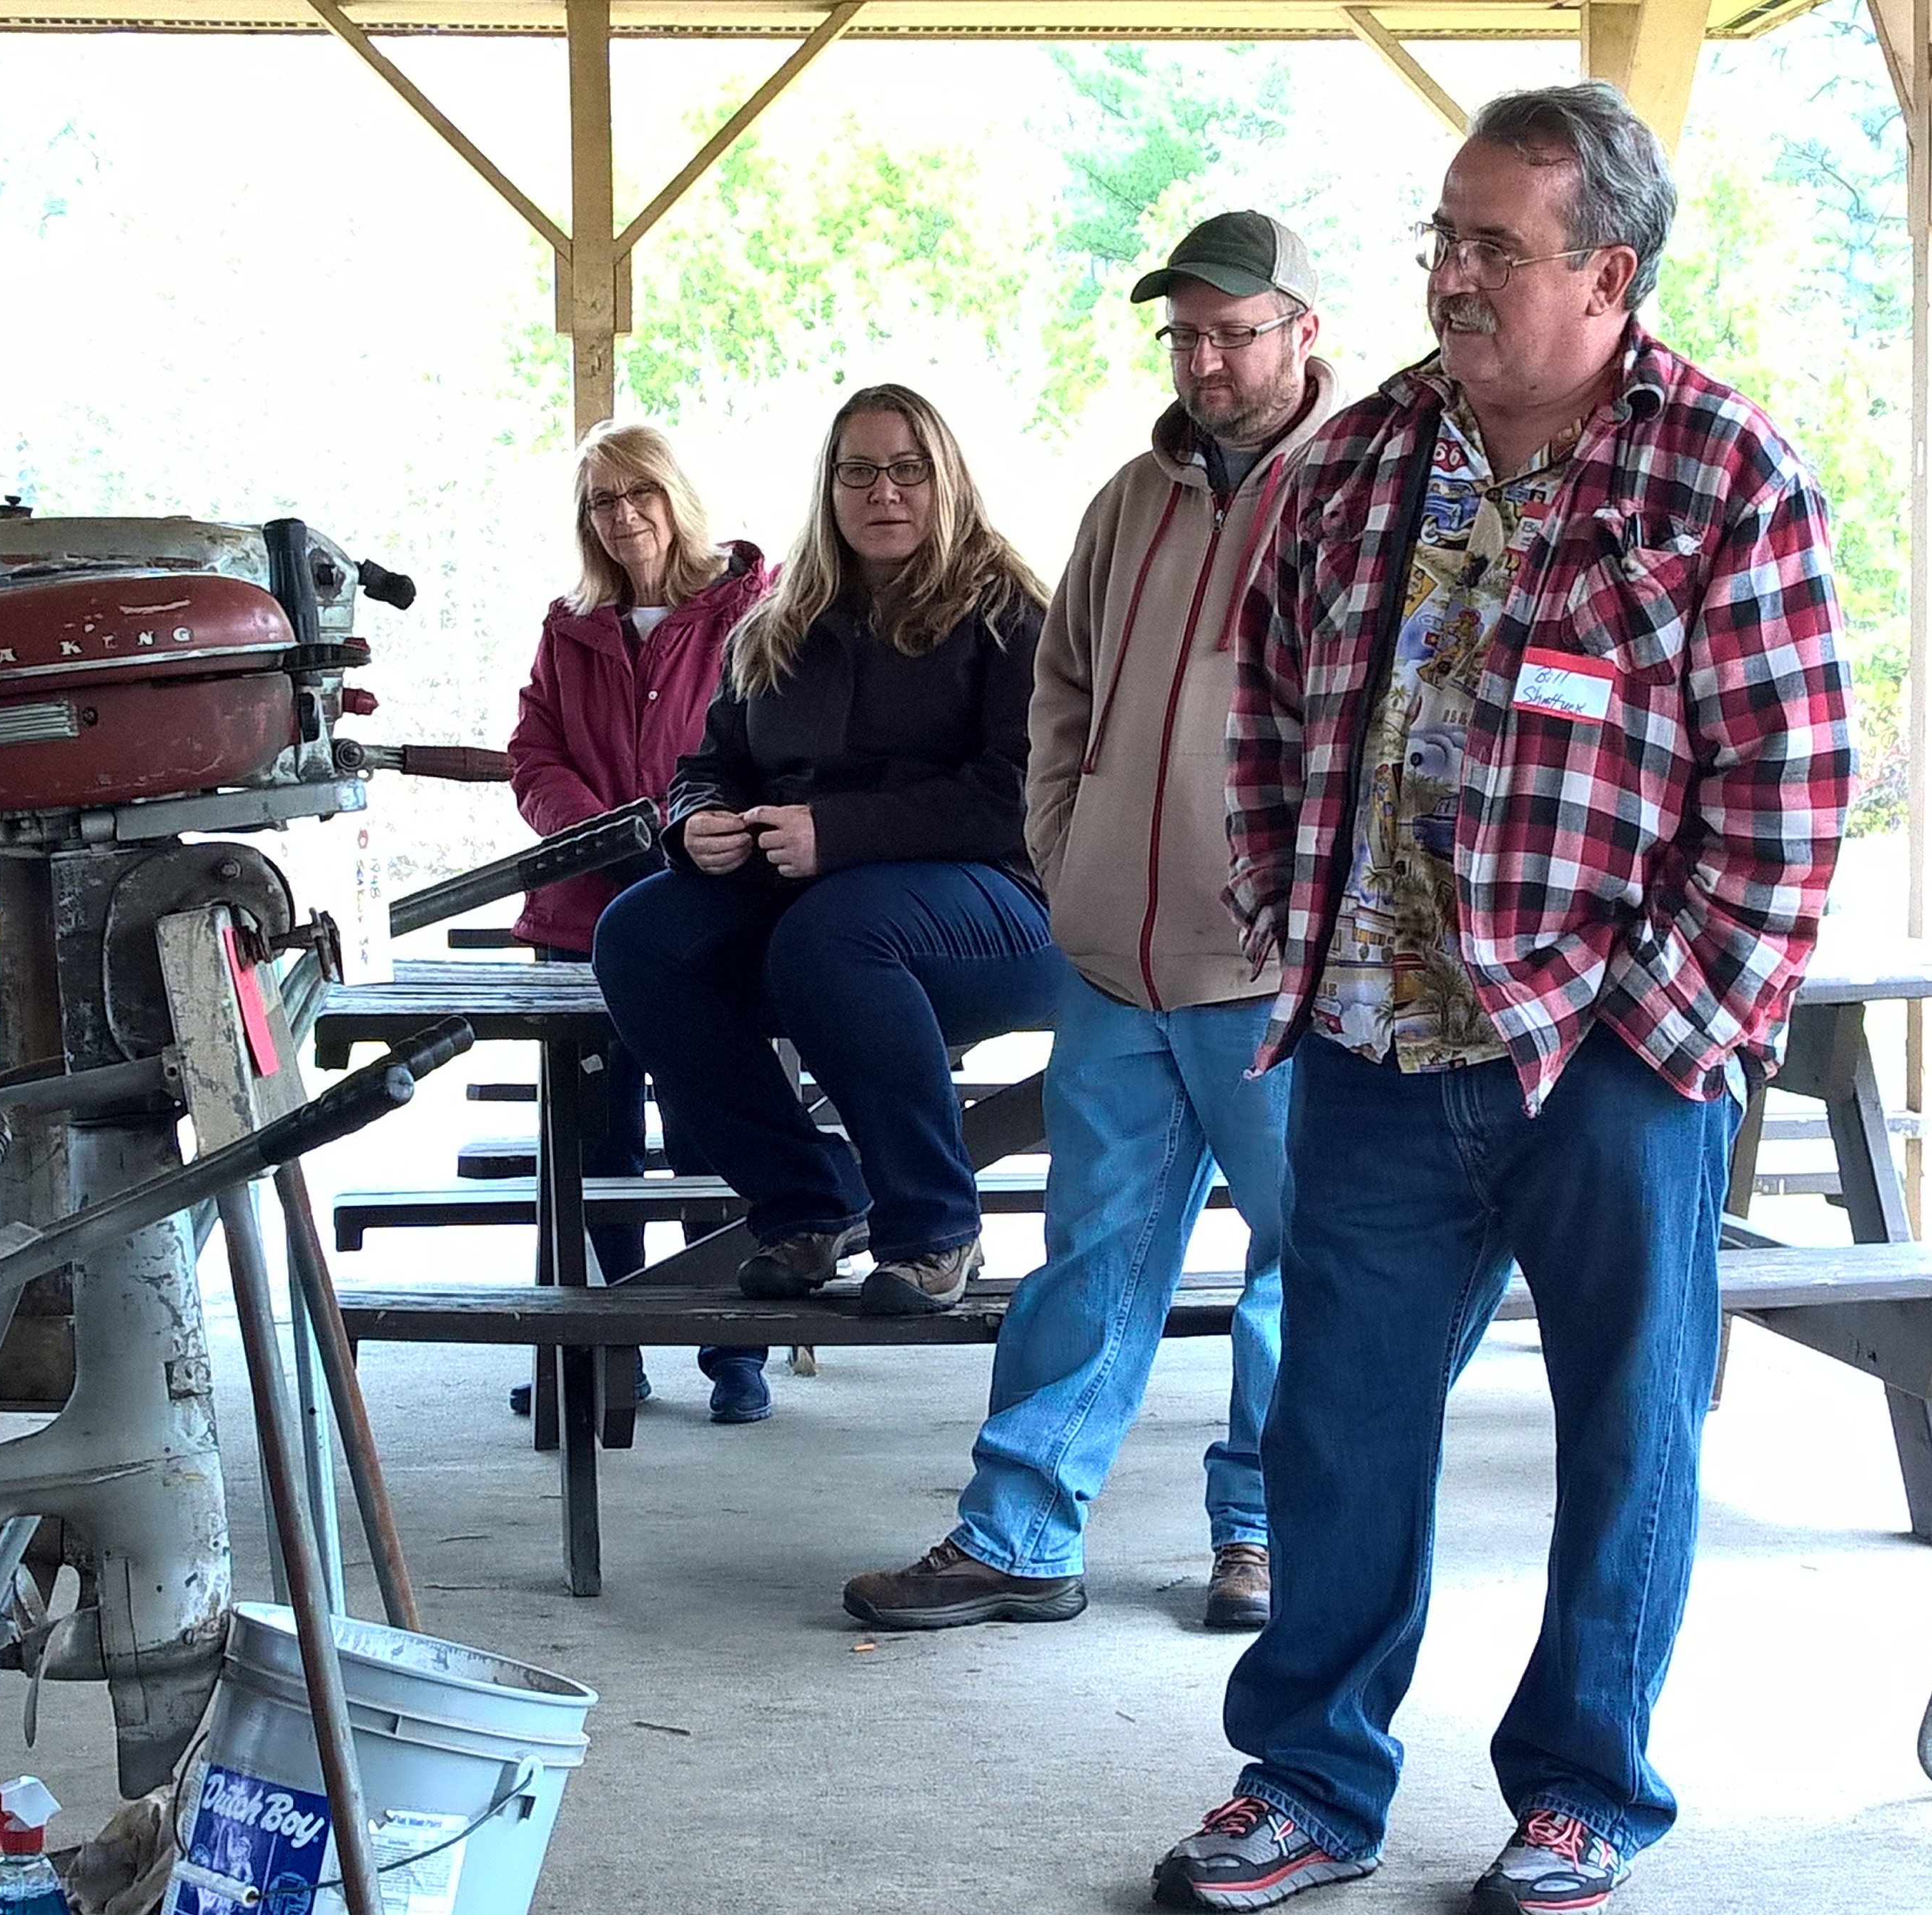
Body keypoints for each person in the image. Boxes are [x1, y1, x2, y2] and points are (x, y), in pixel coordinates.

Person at [1151, 84, 1853, 1915]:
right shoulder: (1359, 459)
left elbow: (1788, 793)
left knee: (1625, 1432)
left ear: (1608, 275)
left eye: (1493, 247)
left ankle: (1583, 1793)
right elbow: (1263, 711)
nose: (1450, 277)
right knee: (1336, 1428)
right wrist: (1291, 921)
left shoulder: (1721, 473)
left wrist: (1661, 1035)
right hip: (1376, 1038)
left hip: (1608, 1053)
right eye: (1440, 240)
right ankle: (1309, 1780)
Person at [841, 212, 1341, 1637]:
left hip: (1275, 972)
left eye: (1233, 334)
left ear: (1305, 331)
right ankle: (1017, 1533)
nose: (1205, 361)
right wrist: (1069, 859)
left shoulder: (1361, 491)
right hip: (1115, 960)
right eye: (1184, 336)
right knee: (1086, 1257)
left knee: (1307, 1263)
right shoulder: (1129, 500)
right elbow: (1059, 695)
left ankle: (1270, 1533)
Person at [593, 385, 1067, 1331]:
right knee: (639, 935)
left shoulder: (1010, 614)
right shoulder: (779, 619)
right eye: (859, 472)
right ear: (830, 487)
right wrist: (698, 824)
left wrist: (837, 833)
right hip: (810, 904)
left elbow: (1014, 794)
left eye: (907, 470)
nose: (882, 492)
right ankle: (808, 1202)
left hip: (1006, 909)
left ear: (945, 481)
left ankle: (935, 1228)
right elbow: (709, 764)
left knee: (835, 930)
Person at [510, 420, 777, 1422]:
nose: (623, 516)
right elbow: (533, 753)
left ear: (675, 495)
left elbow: (774, 741)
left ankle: (734, 1346)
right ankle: (605, 1344)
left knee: (714, 1129)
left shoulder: (754, 609)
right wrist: (601, 836)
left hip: (708, 912)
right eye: (601, 501)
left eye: (639, 493)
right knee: (591, 1145)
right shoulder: (569, 627)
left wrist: (687, 836)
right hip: (579, 915)